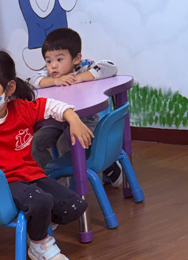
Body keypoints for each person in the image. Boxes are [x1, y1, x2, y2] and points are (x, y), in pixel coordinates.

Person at [0, 50, 92, 260]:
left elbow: (51, 106)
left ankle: (39, 221)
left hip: (29, 175)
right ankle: (39, 244)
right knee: (40, 201)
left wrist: (73, 118)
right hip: (1, 184)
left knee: (74, 205)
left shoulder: (21, 109)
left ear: (9, 89)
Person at [29, 27, 122, 185]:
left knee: (65, 143)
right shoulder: (48, 75)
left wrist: (80, 78)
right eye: (48, 61)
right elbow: (30, 81)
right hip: (57, 122)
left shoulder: (83, 68)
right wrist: (54, 81)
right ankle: (52, 181)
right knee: (35, 142)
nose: (53, 66)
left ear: (76, 58)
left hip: (85, 120)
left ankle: (78, 183)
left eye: (59, 60)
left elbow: (110, 66)